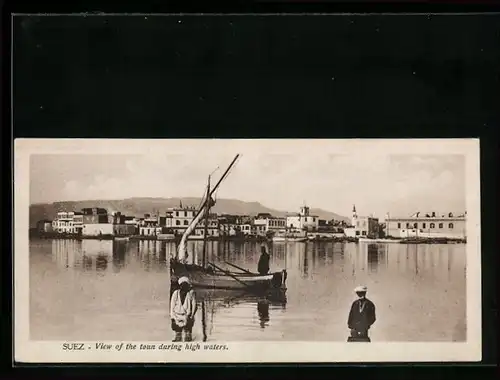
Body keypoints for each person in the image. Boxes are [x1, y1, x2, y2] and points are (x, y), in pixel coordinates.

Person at [170, 276, 198, 342]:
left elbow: (194, 305)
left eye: (186, 285)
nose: (184, 287)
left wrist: (192, 315)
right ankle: (178, 338)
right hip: (177, 316)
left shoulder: (190, 294)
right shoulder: (175, 293)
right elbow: (172, 307)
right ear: (180, 286)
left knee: (188, 336)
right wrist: (173, 317)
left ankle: (188, 338)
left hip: (187, 316)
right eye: (182, 285)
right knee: (178, 335)